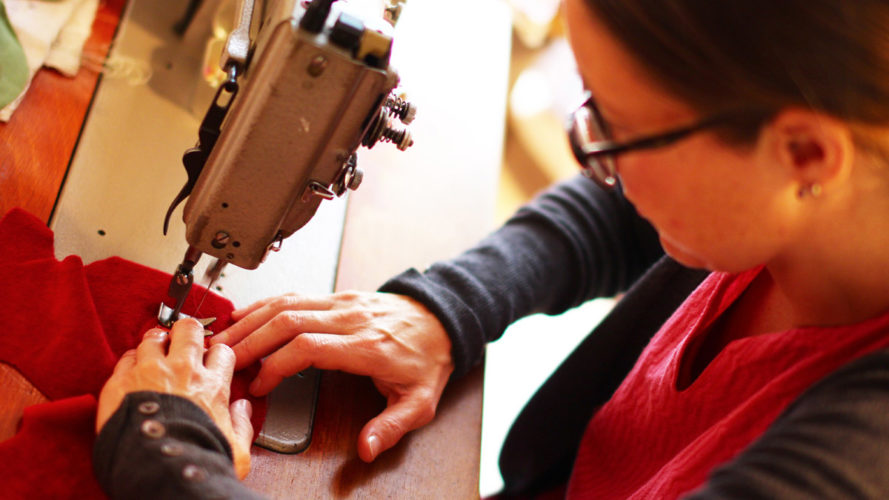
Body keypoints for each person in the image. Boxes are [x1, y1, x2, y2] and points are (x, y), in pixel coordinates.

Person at [94, 0, 889, 498]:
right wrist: (446, 308)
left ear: (804, 157)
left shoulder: (856, 463)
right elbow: (626, 214)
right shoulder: (820, 193)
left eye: (614, 125)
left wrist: (167, 461)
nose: (595, 155)